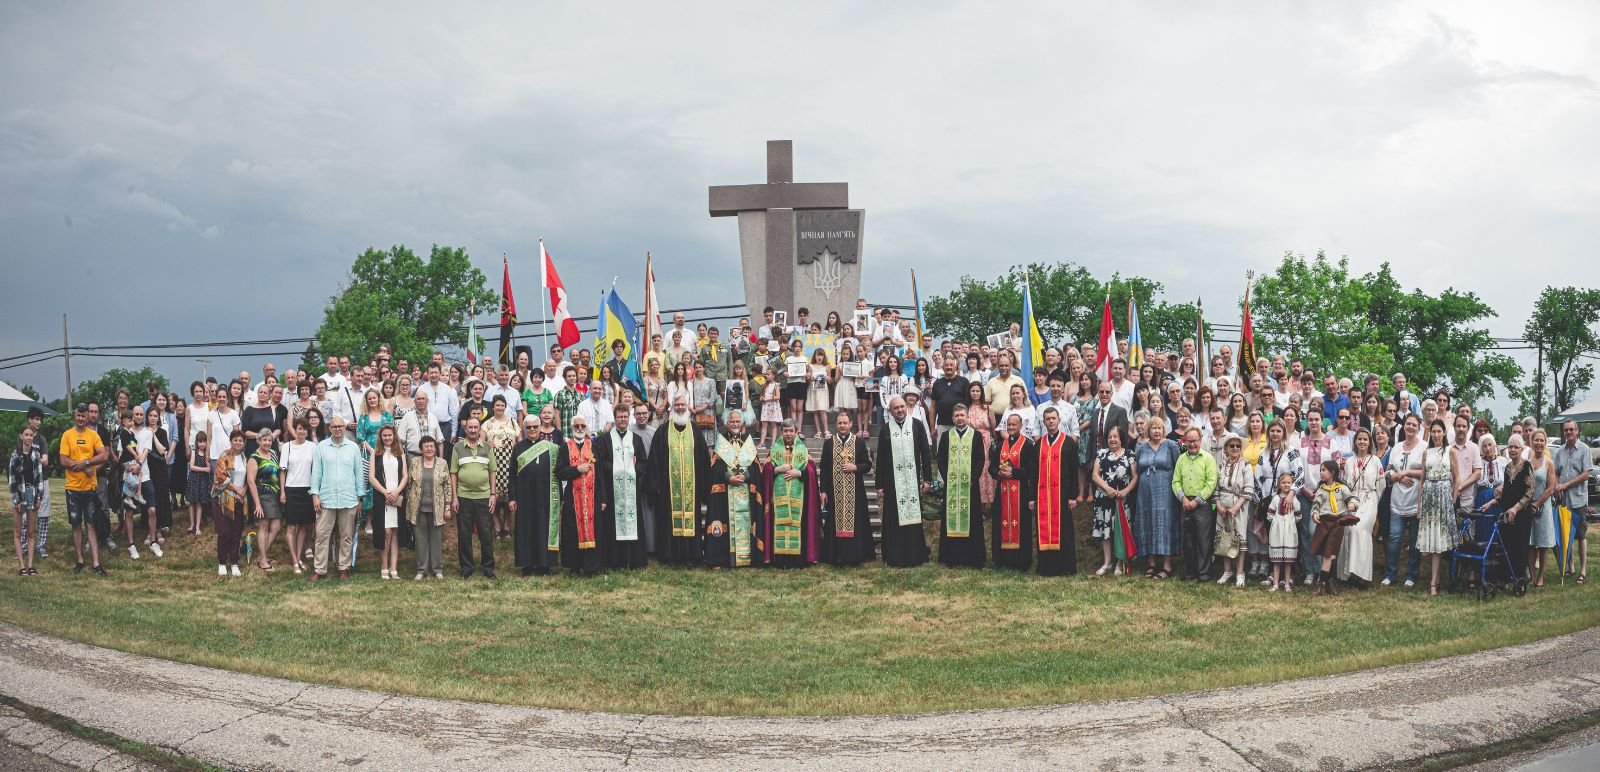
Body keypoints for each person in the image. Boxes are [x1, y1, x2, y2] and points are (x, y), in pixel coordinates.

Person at [649, 396, 711, 565]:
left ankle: (692, 555)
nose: (680, 407)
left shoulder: (696, 431)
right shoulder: (662, 431)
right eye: (677, 405)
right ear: (672, 407)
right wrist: (657, 486)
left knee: (692, 520)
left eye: (683, 404)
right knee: (669, 523)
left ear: (688, 406)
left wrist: (704, 487)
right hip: (669, 490)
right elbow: (654, 460)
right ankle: (670, 556)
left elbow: (704, 461)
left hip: (692, 489)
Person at [877, 396, 931, 568]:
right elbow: (881, 458)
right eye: (896, 408)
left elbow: (925, 453)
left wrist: (927, 478)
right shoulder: (885, 429)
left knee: (913, 518)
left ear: (906, 407)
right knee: (893, 518)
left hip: (913, 480)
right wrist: (879, 485)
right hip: (893, 482)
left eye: (902, 406)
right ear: (891, 411)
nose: (900, 410)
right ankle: (895, 555)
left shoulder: (917, 425)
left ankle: (915, 554)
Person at [310, 415, 364, 581]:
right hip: (326, 497)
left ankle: (344, 567)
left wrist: (360, 498)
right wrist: (315, 495)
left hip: (349, 498)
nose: (338, 429)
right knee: (322, 535)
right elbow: (316, 473)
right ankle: (320, 569)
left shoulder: (353, 448)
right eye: (335, 427)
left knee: (346, 535)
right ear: (329, 428)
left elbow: (359, 474)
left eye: (341, 426)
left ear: (344, 428)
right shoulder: (321, 447)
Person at [595, 404, 648, 570]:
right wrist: (616, 468)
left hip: (631, 491)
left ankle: (633, 559)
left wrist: (633, 469)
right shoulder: (604, 440)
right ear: (615, 418)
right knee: (612, 524)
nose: (623, 420)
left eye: (625, 417)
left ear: (628, 417)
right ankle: (614, 560)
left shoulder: (636, 440)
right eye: (620, 417)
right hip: (612, 491)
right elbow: (600, 463)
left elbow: (643, 463)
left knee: (633, 522)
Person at [705, 410, 760, 568]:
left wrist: (746, 476)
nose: (735, 424)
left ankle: (747, 558)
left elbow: (756, 467)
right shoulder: (721, 441)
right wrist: (728, 478)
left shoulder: (748, 440)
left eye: (738, 421)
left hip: (744, 489)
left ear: (742, 423)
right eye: (732, 421)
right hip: (726, 492)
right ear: (727, 423)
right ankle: (722, 559)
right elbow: (715, 468)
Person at [1030, 406, 1080, 577]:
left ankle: (1065, 566)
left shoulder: (1068, 443)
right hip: (1042, 496)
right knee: (1042, 529)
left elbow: (1074, 471)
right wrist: (1031, 497)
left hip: (1063, 495)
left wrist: (1073, 496)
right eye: (1047, 419)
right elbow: (1033, 473)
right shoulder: (1038, 445)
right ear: (1043, 422)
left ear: (1059, 420)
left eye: (1053, 418)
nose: (1051, 421)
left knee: (1064, 530)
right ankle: (1046, 567)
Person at [820, 410, 874, 566]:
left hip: (855, 492)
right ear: (836, 424)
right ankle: (836, 555)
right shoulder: (829, 443)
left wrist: (855, 467)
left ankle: (855, 555)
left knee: (856, 522)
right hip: (833, 491)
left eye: (845, 423)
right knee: (834, 522)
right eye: (839, 423)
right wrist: (823, 491)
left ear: (851, 424)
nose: (842, 425)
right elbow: (823, 468)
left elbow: (868, 464)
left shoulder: (859, 442)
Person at [936, 404, 987, 568]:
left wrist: (972, 478)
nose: (959, 418)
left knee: (972, 518)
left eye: (962, 415)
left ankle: (972, 557)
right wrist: (948, 477)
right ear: (952, 418)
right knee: (950, 518)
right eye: (956, 415)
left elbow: (980, 460)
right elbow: (941, 460)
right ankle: (951, 557)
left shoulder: (976, 436)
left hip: (970, 486)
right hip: (951, 486)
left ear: (967, 417)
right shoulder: (946, 436)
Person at [509, 415, 560, 576]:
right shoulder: (518, 448)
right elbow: (512, 475)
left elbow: (557, 473)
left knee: (542, 528)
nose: (532, 430)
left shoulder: (551, 448)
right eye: (529, 427)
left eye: (535, 427)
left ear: (540, 427)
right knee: (526, 529)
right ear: (524, 429)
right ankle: (527, 565)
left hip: (545, 496)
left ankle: (545, 565)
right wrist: (512, 497)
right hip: (524, 497)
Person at [763, 418, 819, 568]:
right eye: (785, 431)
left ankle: (798, 561)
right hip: (778, 499)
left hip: (798, 499)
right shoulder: (774, 450)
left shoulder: (803, 450)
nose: (788, 434)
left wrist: (800, 473)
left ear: (796, 432)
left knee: (798, 526)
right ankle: (780, 561)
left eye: (791, 431)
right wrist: (776, 469)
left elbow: (812, 472)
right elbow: (765, 472)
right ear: (781, 432)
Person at [554, 415, 603, 576]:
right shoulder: (565, 447)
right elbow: (559, 472)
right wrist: (577, 470)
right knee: (572, 532)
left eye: (583, 426)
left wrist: (603, 499)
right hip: (573, 499)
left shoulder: (593, 446)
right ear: (572, 427)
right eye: (577, 426)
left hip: (592, 497)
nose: (580, 429)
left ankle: (591, 566)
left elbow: (601, 474)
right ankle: (574, 567)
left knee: (593, 530)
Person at [1134, 416, 1182, 579]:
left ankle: (1167, 565)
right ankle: (1151, 562)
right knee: (1148, 522)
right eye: (1153, 428)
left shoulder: (1171, 446)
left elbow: (1177, 468)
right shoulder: (1141, 448)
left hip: (1165, 492)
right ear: (1149, 430)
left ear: (1164, 430)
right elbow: (1137, 470)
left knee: (1164, 523)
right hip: (1145, 492)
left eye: (1159, 428)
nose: (1156, 431)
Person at [1417, 419, 1460, 596]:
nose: (1436, 435)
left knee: (1442, 541)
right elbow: (1421, 480)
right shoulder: (1426, 452)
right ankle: (1434, 581)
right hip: (1429, 498)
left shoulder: (1451, 451)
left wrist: (1452, 500)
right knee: (1433, 541)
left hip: (1444, 498)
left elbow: (1457, 479)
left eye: (1438, 431)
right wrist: (1419, 505)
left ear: (1444, 433)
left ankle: (1439, 580)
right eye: (1433, 431)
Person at [1336, 428, 1384, 586]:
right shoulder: (1349, 462)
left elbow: (1381, 483)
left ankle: (1363, 574)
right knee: (1347, 529)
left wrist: (1375, 498)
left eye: (1365, 439)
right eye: (1359, 439)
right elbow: (1345, 483)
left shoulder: (1375, 461)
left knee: (1360, 529)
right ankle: (1348, 573)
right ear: (1355, 441)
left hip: (1369, 499)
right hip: (1352, 499)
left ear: (1370, 442)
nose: (1362, 442)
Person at [451, 416, 497, 579]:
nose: (472, 430)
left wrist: (493, 494)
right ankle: (466, 567)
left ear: (479, 429)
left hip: (484, 496)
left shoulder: (487, 447)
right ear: (465, 429)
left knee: (486, 534)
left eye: (475, 427)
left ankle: (488, 568)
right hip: (463, 497)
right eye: (470, 427)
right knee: (464, 534)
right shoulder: (457, 447)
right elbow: (454, 473)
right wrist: (455, 497)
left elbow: (492, 471)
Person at [1090, 419, 1137, 576]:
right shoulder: (1101, 453)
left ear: (1121, 437)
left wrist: (1125, 491)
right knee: (1106, 531)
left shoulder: (1130, 454)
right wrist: (1108, 489)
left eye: (1115, 436)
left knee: (1120, 530)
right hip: (1104, 499)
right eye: (1110, 437)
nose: (1112, 439)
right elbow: (1095, 476)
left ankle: (1119, 562)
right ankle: (1107, 562)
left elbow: (1136, 477)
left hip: (1122, 501)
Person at [1171, 427, 1219, 582]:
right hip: (1185, 503)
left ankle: (1204, 573)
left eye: (1195, 441)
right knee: (1188, 540)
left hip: (1202, 504)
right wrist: (1183, 499)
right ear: (1185, 442)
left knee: (1203, 540)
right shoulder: (1181, 459)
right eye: (1189, 441)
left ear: (1200, 440)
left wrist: (1196, 501)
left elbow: (1211, 483)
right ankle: (1189, 571)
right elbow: (1175, 481)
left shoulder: (1208, 458)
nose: (1192, 444)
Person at [1383, 413, 1425, 588]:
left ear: (1418, 427)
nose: (1410, 427)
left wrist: (1406, 473)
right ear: (1404, 426)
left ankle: (1411, 575)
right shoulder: (1396, 448)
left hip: (1416, 500)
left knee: (1415, 540)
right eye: (1408, 424)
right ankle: (1390, 574)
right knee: (1394, 539)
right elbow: (1388, 471)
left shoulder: (1424, 447)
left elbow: (1427, 471)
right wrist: (1397, 477)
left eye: (1414, 425)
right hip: (1397, 500)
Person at [1307, 460, 1358, 597]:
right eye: (1320, 470)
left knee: (1328, 553)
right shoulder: (1321, 490)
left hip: (1337, 523)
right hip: (1323, 524)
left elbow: (1352, 498)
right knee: (1326, 552)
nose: (1321, 473)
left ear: (1333, 472)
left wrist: (1352, 504)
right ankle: (1329, 581)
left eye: (1324, 470)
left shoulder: (1341, 488)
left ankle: (1320, 584)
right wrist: (1315, 513)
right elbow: (1316, 505)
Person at [991, 413, 1034, 571]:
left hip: (1021, 492)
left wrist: (1014, 472)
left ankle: (1021, 561)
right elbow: (991, 468)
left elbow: (1031, 470)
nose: (1010, 427)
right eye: (1008, 425)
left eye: (1014, 425)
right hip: (1002, 492)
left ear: (1021, 426)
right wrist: (998, 474)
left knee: (1021, 525)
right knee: (999, 523)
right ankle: (1001, 560)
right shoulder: (999, 445)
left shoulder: (1028, 445)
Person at [367, 424, 408, 580]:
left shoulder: (400, 453)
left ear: (394, 436)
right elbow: (372, 477)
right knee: (386, 532)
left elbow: (405, 475)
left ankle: (394, 567)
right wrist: (385, 493)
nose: (387, 438)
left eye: (390, 435)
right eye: (384, 435)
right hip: (382, 496)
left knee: (396, 532)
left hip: (396, 495)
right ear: (380, 437)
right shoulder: (375, 453)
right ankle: (384, 566)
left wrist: (396, 492)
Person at [1212, 435, 1255, 587]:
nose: (1235, 448)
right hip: (1223, 506)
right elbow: (1216, 487)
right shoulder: (1221, 466)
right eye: (1232, 446)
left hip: (1239, 506)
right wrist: (1219, 505)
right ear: (1226, 449)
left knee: (1239, 539)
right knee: (1225, 539)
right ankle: (1227, 570)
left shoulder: (1245, 465)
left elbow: (1249, 488)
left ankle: (1240, 572)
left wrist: (1236, 507)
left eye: (1238, 446)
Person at [1553, 420, 1591, 583]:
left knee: (1581, 535)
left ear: (1577, 431)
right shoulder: (1560, 451)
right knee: (1565, 534)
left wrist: (1565, 485)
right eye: (1566, 430)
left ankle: (1583, 571)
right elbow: (1556, 472)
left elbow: (1586, 474)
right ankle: (1571, 567)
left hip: (1578, 499)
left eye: (1571, 430)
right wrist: (1556, 487)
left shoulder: (1584, 449)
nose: (1568, 432)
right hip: (1563, 501)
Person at [1493, 435, 1534, 582]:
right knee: (1506, 545)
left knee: (1520, 546)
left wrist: (1516, 509)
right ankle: (1505, 577)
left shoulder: (1527, 466)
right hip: (1507, 514)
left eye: (1516, 447)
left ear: (1522, 449)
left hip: (1522, 514)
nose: (1513, 450)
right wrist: (1492, 502)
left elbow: (1530, 492)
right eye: (1510, 447)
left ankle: (1520, 577)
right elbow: (1506, 492)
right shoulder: (1507, 468)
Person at [277, 418, 316, 575]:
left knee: (304, 526)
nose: (302, 432)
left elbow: (316, 469)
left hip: (307, 490)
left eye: (305, 429)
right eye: (299, 428)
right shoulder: (287, 447)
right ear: (295, 429)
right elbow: (283, 471)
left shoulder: (313, 447)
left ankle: (299, 558)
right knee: (292, 526)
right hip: (291, 489)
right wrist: (282, 492)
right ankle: (294, 560)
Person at [482, 395, 518, 540]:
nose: (500, 408)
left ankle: (507, 527)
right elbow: (482, 441)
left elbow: (519, 440)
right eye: (497, 405)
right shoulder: (488, 423)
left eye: (502, 405)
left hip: (509, 461)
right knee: (495, 494)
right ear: (493, 407)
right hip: (494, 461)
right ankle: (497, 526)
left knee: (509, 494)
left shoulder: (513, 422)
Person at [246, 427, 282, 571]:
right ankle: (263, 560)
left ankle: (262, 556)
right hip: (262, 496)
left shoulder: (274, 453)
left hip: (275, 495)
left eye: (269, 440)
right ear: (258, 441)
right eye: (264, 440)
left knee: (276, 527)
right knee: (264, 526)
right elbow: (250, 481)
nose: (267, 442)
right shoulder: (254, 458)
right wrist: (257, 504)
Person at [213, 430, 247, 578]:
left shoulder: (246, 458)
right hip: (223, 499)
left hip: (239, 500)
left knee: (236, 532)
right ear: (231, 441)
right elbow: (221, 477)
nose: (238, 442)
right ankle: (222, 562)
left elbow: (249, 478)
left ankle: (234, 562)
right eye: (235, 440)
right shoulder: (224, 456)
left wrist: (243, 491)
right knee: (224, 532)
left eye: (240, 440)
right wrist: (237, 490)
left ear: (244, 443)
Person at [10, 427, 45, 575]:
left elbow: (39, 478)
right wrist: (17, 500)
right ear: (21, 436)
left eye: (31, 435)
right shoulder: (15, 456)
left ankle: (30, 565)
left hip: (32, 493)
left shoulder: (36, 455)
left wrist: (39, 497)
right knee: (18, 532)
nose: (29, 438)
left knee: (31, 532)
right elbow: (12, 480)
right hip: (19, 494)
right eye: (26, 435)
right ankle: (21, 566)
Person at [1527, 429, 1558, 588]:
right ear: (1532, 442)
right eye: (1536, 440)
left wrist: (1538, 503)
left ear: (1545, 443)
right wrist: (1529, 504)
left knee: (1543, 543)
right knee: (1531, 543)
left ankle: (1541, 577)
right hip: (1529, 507)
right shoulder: (1527, 463)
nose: (1539, 443)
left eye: (1541, 440)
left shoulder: (1549, 463)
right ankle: (1532, 576)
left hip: (1543, 507)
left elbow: (1551, 488)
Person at [1265, 472, 1299, 592]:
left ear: (1292, 484)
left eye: (1289, 482)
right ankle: (1275, 583)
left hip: (1289, 531)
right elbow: (1269, 514)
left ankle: (1287, 583)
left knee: (1288, 560)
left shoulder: (1294, 499)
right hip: (1277, 532)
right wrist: (1277, 522)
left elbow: (1298, 515)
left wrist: (1289, 522)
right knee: (1277, 559)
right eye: (1283, 482)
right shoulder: (1275, 499)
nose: (1286, 485)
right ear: (1279, 484)